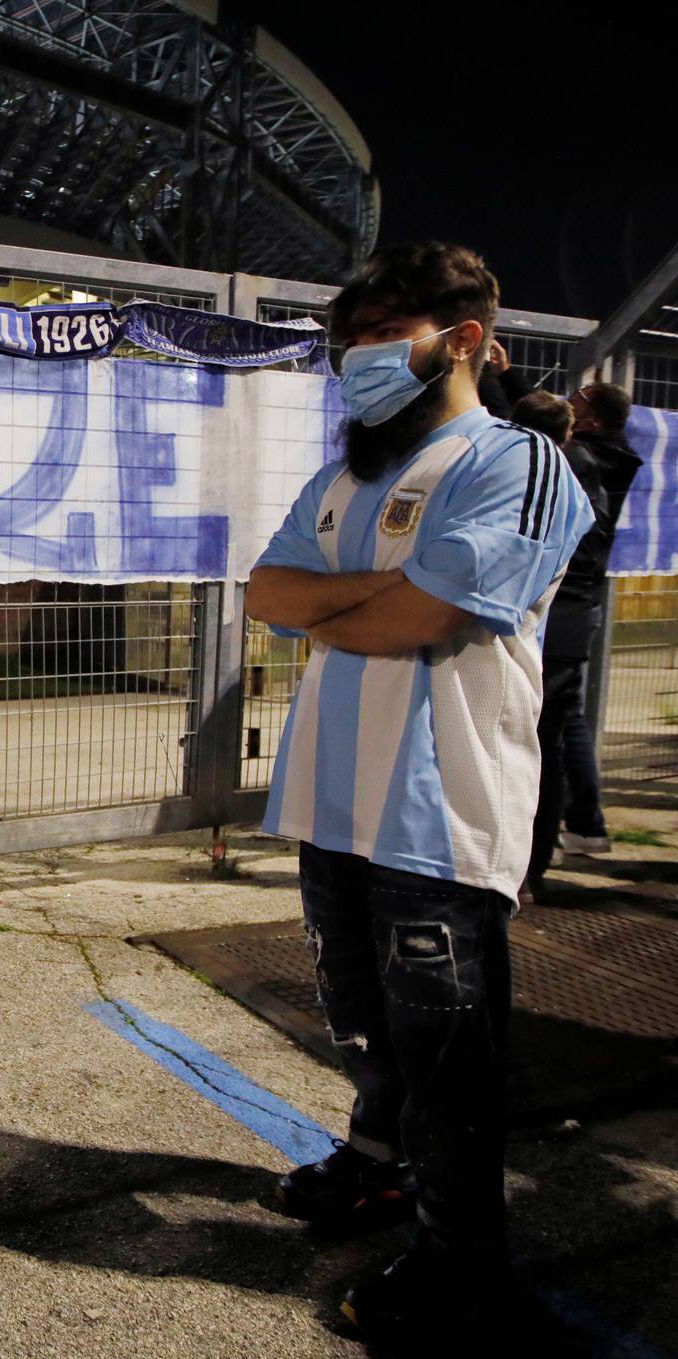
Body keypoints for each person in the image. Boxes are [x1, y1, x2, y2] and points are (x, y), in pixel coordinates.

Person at [245, 242, 592, 1342]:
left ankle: (462, 1262)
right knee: (366, 1026)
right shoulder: (350, 472)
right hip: (331, 801)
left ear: (467, 342)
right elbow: (265, 591)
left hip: (438, 816)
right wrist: (374, 594)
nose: (359, 360)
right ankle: (379, 1169)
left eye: (386, 336)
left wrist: (339, 605)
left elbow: (430, 615)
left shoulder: (516, 462)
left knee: (450, 1058)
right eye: (350, 341)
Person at [510, 392, 607, 895]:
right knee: (543, 747)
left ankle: (524, 868)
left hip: (544, 626)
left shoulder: (533, 471)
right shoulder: (579, 470)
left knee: (535, 748)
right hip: (558, 627)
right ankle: (530, 867)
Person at [549, 381, 645, 857]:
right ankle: (585, 825)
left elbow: (543, 434)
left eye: (577, 400)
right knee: (569, 719)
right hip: (577, 604)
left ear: (594, 420)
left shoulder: (584, 461)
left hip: (565, 604)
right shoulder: (607, 454)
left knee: (558, 724)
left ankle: (560, 837)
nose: (567, 401)